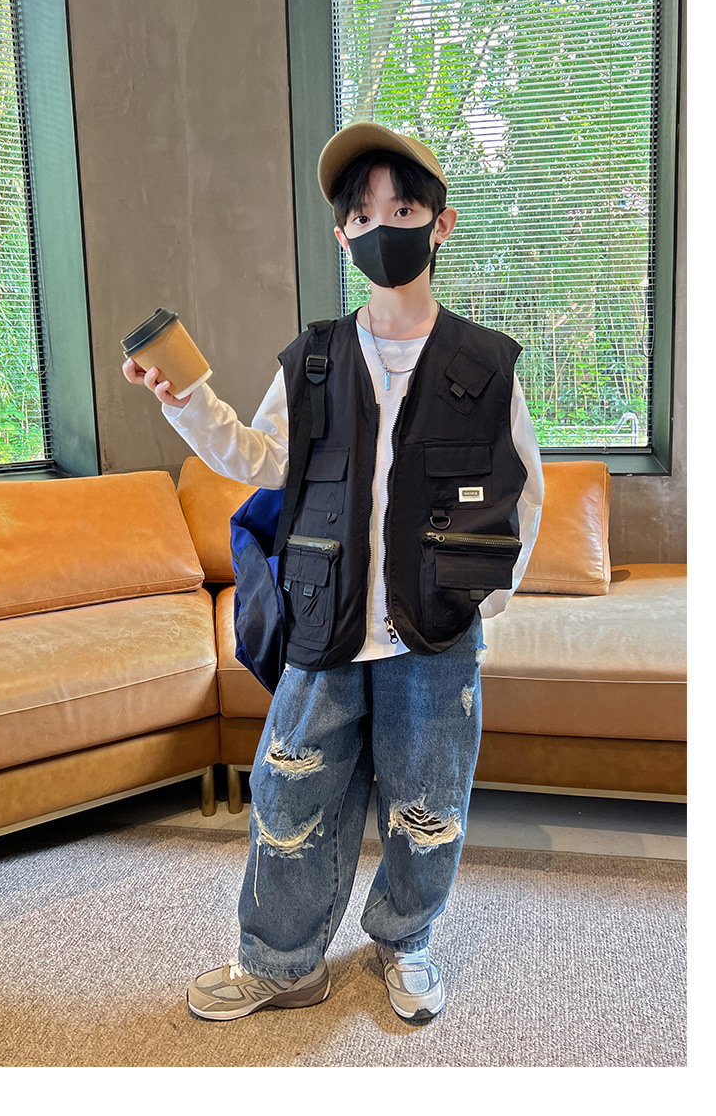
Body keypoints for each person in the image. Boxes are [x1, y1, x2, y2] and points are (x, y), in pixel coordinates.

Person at [123, 121, 543, 1025]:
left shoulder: (487, 363)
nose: (382, 225)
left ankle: (406, 941)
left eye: (404, 209)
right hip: (326, 620)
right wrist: (185, 400)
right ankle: (282, 963)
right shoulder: (313, 358)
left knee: (428, 801)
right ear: (344, 236)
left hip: (436, 632)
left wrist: (490, 597)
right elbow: (260, 459)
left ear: (441, 223)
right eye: (363, 215)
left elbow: (523, 486)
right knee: (289, 786)